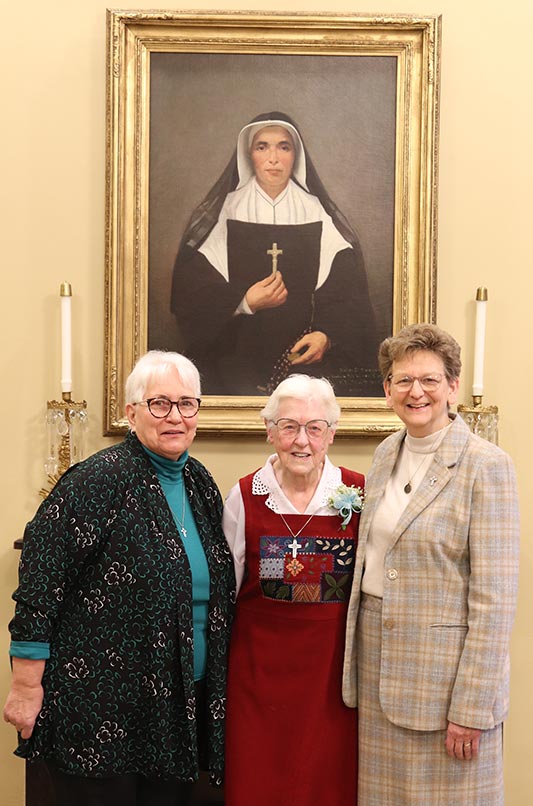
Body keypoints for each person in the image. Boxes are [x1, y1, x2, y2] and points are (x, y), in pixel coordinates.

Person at [3, 351, 235, 806]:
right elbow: (40, 584)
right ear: (132, 412)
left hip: (175, 709)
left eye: (187, 403)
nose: (175, 416)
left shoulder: (199, 482)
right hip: (101, 706)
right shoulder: (96, 481)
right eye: (159, 404)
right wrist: (26, 687)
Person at [342, 323, 520, 805]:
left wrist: (471, 707)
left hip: (445, 689)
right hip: (378, 673)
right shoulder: (385, 454)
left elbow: (495, 601)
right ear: (387, 390)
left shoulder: (487, 466)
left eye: (429, 380)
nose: (415, 392)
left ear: (453, 386)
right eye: (403, 380)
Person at [223, 374, 364, 805]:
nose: (302, 441)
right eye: (289, 427)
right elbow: (226, 593)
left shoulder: (359, 492)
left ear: (331, 434)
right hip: (258, 680)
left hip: (330, 685)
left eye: (314, 428)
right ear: (270, 431)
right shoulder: (244, 497)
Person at [171, 111, 380, 396]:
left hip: (301, 360)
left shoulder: (315, 211)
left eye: (284, 147)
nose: (273, 158)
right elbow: (193, 292)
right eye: (262, 147)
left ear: (296, 155)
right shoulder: (226, 210)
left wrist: (326, 336)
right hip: (233, 357)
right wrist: (244, 302)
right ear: (249, 155)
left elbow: (346, 294)